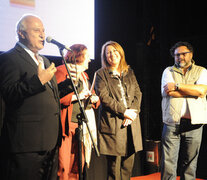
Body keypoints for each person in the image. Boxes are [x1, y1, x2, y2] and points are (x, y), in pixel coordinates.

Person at [0, 14, 73, 180]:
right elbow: (9, 93)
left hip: (50, 141)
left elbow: (49, 95)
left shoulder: (45, 61)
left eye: (43, 30)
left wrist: (69, 84)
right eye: (36, 30)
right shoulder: (8, 58)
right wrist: (39, 80)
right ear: (21, 33)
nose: (42, 35)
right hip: (26, 144)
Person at [94, 41, 143, 180]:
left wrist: (132, 113)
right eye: (108, 52)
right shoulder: (100, 74)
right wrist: (124, 112)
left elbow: (138, 94)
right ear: (105, 56)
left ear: (120, 53)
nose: (112, 55)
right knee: (114, 170)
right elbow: (104, 98)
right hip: (113, 125)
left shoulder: (129, 72)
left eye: (115, 51)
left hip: (131, 124)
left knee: (128, 167)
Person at [161, 41, 207, 180]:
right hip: (172, 122)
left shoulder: (202, 71)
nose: (180, 57)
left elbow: (202, 91)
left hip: (194, 124)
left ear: (191, 54)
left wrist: (177, 86)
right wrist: (192, 90)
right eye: (176, 55)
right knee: (168, 163)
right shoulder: (168, 71)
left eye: (183, 54)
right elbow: (169, 92)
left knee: (190, 164)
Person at [55, 44, 100, 180]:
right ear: (78, 56)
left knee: (78, 165)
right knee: (64, 165)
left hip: (82, 125)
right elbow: (56, 97)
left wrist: (94, 98)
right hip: (67, 125)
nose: (90, 60)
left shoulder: (84, 75)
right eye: (87, 56)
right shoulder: (62, 71)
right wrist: (77, 96)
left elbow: (90, 95)